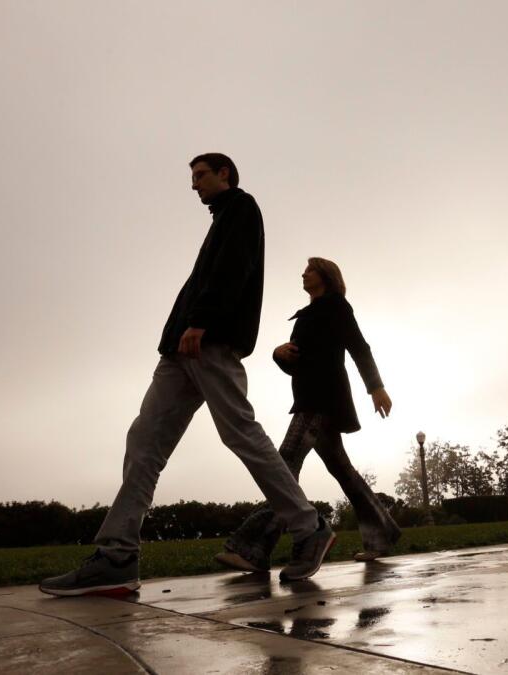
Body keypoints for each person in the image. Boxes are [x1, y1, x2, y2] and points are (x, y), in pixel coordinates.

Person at [40, 153, 335, 596]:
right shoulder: (220, 218)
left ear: (225, 175)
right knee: (144, 442)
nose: (193, 185)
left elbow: (233, 269)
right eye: (192, 177)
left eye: (200, 176)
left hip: (208, 341)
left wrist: (201, 320)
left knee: (239, 432)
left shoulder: (241, 207)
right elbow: (210, 275)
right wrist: (182, 329)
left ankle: (307, 526)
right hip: (180, 348)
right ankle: (117, 556)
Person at [215, 257, 401, 573]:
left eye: (310, 269)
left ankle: (255, 547)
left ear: (325, 276)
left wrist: (376, 387)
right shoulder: (307, 315)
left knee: (284, 464)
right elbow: (297, 362)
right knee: (343, 472)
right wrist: (278, 354)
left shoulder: (337, 306)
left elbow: (359, 347)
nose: (303, 273)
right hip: (308, 399)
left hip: (322, 399)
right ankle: (382, 532)